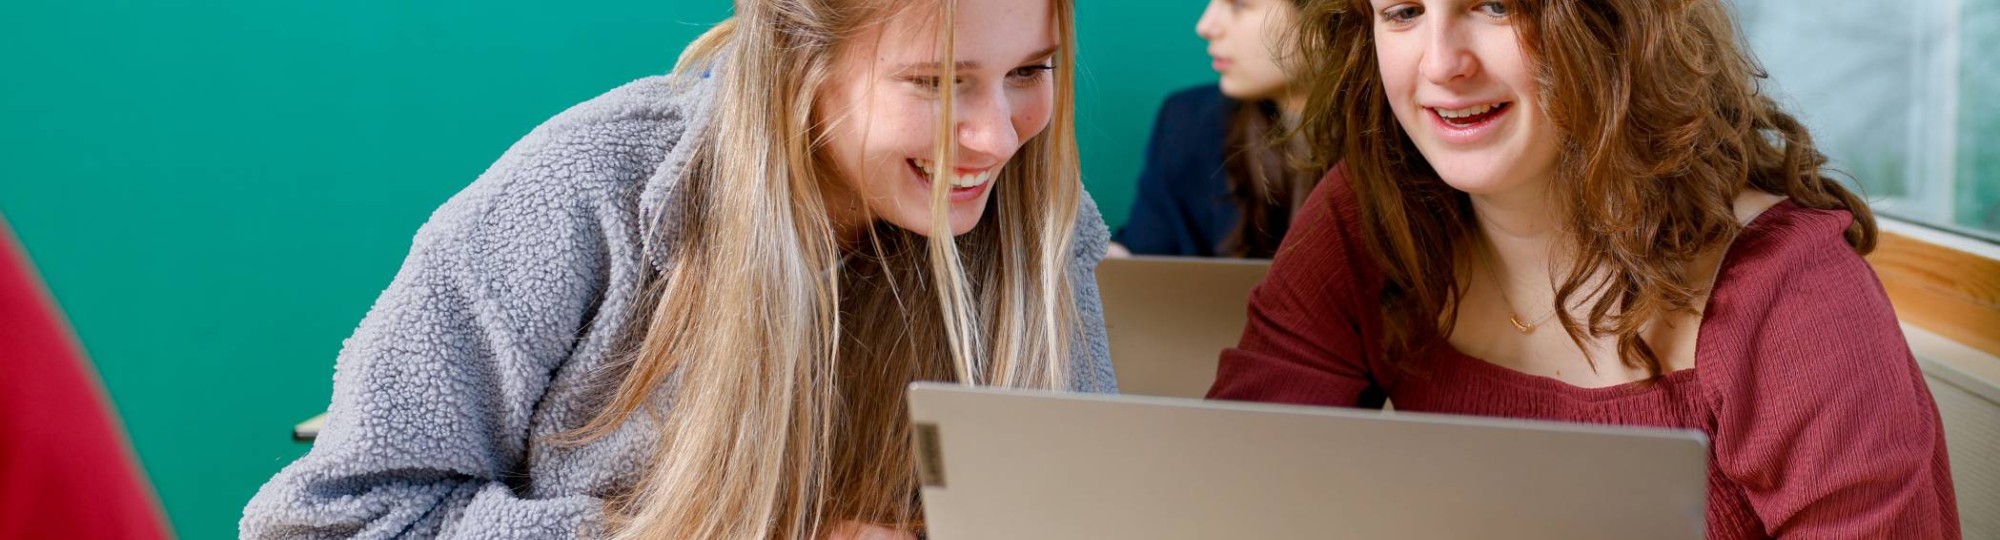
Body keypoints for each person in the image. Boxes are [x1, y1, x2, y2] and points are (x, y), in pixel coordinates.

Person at [242, 0, 1114, 538]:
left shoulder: (1043, 221)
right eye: (937, 83)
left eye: (1031, 71)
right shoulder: (590, 190)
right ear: (797, 60)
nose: (997, 136)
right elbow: (331, 523)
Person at [1207, 0, 1960, 537]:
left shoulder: (1794, 293)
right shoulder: (1371, 216)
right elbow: (1225, 488)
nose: (1440, 63)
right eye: (1402, 12)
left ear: (1614, 22)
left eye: (1496, 7)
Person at [1110, 0, 1316, 258]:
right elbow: (1144, 255)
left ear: (1326, 16)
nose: (1205, 26)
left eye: (1238, 5)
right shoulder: (1187, 123)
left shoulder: (1379, 148)